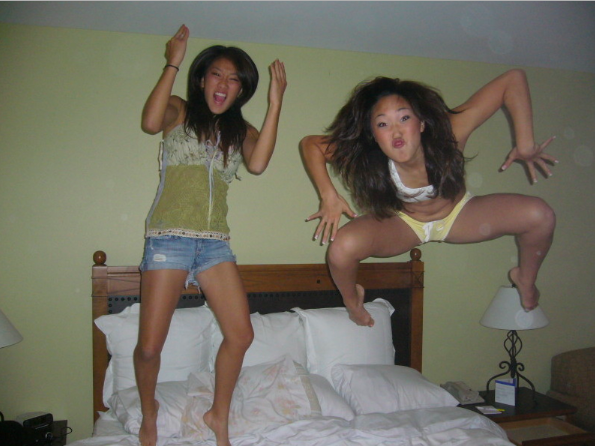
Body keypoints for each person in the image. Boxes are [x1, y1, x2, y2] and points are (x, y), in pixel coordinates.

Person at [300, 69, 556, 327]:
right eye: (382, 124)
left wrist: (525, 143)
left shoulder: (450, 133)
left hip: (460, 214)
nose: (396, 132)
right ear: (374, 135)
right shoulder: (366, 155)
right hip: (404, 224)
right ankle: (352, 302)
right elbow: (311, 144)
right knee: (340, 249)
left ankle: (526, 279)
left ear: (421, 123)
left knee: (540, 216)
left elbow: (512, 80)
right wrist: (328, 195)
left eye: (404, 118)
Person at [135, 25, 287, 446]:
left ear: (242, 90)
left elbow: (258, 164)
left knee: (241, 335)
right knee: (148, 348)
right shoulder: (179, 110)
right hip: (168, 239)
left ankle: (218, 414)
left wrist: (275, 103)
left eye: (234, 79)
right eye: (216, 74)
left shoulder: (241, 132)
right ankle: (149, 413)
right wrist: (173, 61)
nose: (224, 84)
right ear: (202, 79)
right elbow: (149, 122)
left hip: (214, 244)